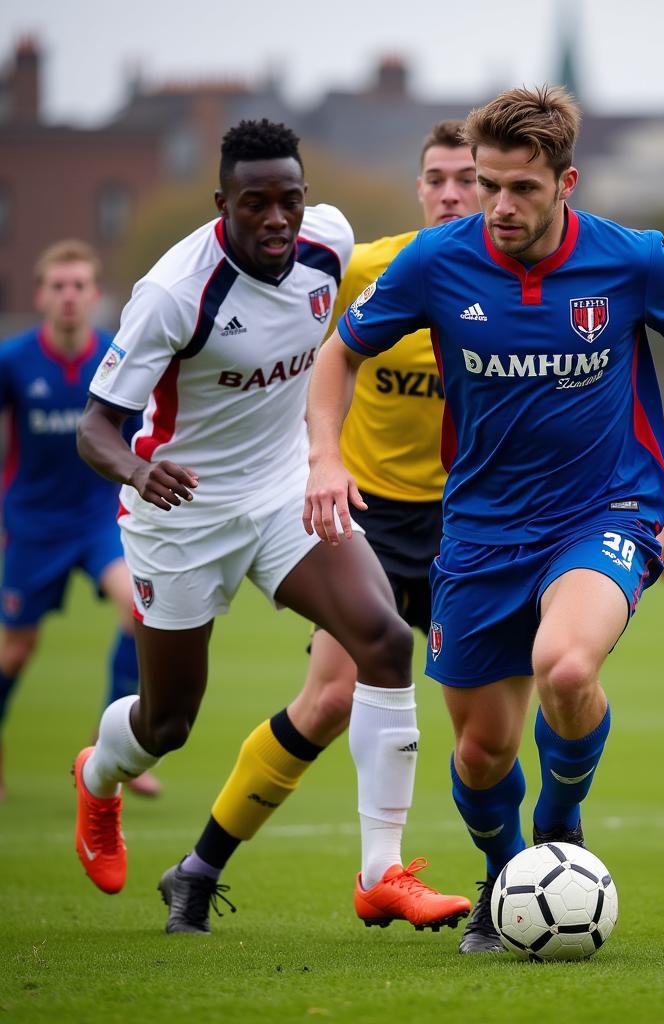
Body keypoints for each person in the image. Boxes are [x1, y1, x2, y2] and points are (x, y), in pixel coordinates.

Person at [304, 86, 664, 953]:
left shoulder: (634, 260)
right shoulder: (436, 263)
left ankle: (560, 821)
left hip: (603, 510)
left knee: (567, 668)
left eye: (523, 189)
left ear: (566, 182)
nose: (500, 206)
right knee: (478, 756)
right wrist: (325, 456)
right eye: (488, 184)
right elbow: (339, 354)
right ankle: (510, 883)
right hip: (475, 533)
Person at [71, 119, 470, 934]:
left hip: (286, 487)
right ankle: (98, 773)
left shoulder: (330, 247)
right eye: (256, 204)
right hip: (182, 513)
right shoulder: (176, 293)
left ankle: (380, 873)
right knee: (167, 722)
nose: (277, 219)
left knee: (386, 643)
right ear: (225, 204)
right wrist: (142, 470)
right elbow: (96, 429)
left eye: (290, 199)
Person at [0, 240, 158, 801]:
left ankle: (112, 744)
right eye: (58, 287)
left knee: (137, 610)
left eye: (79, 287)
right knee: (17, 648)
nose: (69, 297)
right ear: (41, 296)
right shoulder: (13, 361)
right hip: (32, 525)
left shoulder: (117, 358)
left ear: (95, 296)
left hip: (99, 520)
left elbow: (145, 436)